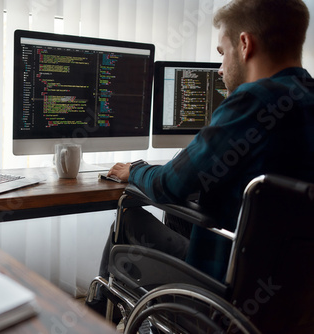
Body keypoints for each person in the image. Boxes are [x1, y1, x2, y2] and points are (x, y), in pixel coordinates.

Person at [88, 0, 314, 316]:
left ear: (246, 44)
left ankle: (96, 314)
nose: (220, 69)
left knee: (128, 213)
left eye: (222, 53)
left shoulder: (252, 101)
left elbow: (169, 184)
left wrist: (136, 170)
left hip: (224, 289)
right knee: (181, 215)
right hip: (294, 298)